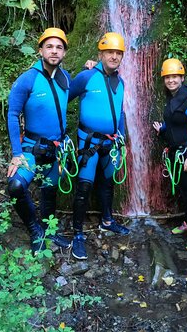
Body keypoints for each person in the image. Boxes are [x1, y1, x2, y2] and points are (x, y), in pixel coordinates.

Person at [6, 27, 72, 254]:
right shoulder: (28, 79)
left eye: (59, 47)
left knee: (50, 189)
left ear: (64, 53)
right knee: (15, 186)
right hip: (31, 148)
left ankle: (49, 230)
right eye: (50, 46)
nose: (54, 51)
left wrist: (92, 66)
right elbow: (13, 114)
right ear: (41, 49)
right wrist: (16, 153)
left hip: (57, 148)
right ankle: (35, 231)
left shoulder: (65, 78)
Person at [70, 32, 130, 260]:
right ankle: (77, 234)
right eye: (109, 52)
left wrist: (122, 137)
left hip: (112, 142)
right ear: (100, 54)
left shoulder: (121, 81)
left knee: (107, 183)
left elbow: (120, 112)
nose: (114, 56)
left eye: (118, 53)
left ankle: (107, 220)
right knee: (84, 186)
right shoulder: (86, 77)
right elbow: (64, 97)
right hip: (89, 142)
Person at [152, 58, 187, 251]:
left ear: (182, 77)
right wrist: (163, 128)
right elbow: (174, 119)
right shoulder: (173, 98)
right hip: (177, 152)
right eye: (168, 77)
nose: (171, 80)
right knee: (184, 190)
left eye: (175, 76)